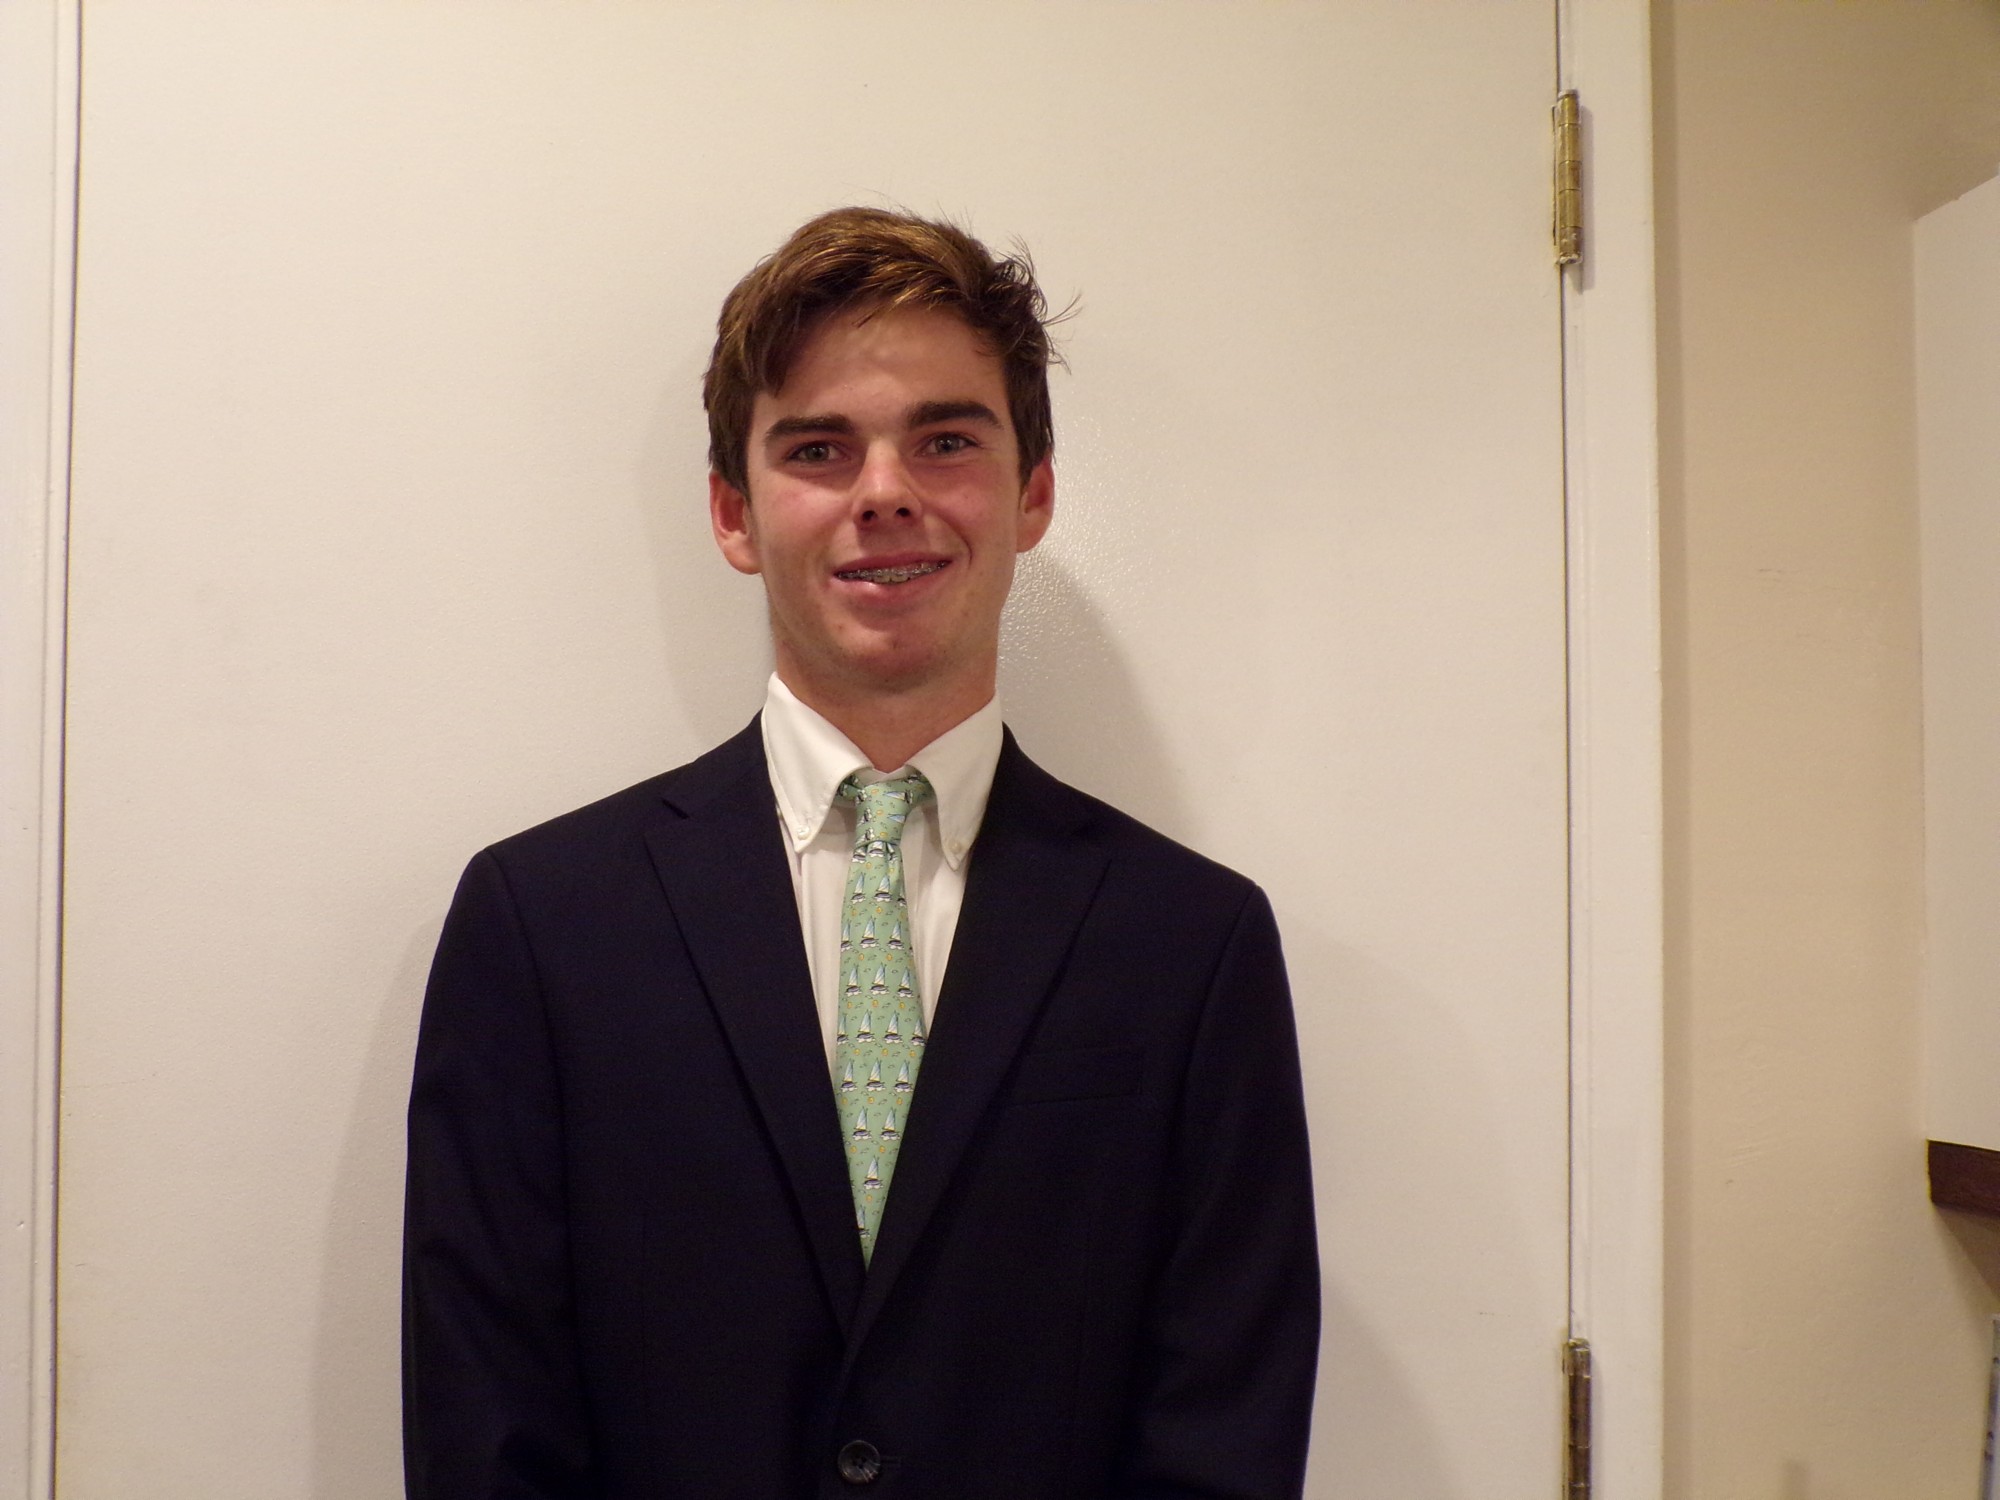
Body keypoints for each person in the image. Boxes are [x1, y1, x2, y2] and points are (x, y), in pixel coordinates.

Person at [402, 207, 1320, 1499]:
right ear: (734, 514)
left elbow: (1225, 1430)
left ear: (1034, 493)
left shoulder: (1192, 945)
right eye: (819, 449)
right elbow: (486, 1422)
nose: (885, 491)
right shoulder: (543, 926)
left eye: (945, 440)